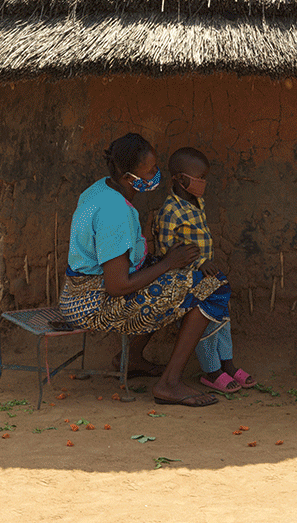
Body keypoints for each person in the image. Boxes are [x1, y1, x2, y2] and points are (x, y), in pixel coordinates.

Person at [57, 133, 231, 407]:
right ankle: (170, 383)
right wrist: (167, 264)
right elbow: (117, 285)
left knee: (166, 279)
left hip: (77, 292)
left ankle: (133, 359)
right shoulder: (115, 212)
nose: (156, 173)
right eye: (150, 170)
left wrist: (163, 266)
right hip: (93, 303)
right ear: (129, 176)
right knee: (213, 288)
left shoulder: (100, 189)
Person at [156, 147, 254, 395]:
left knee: (223, 317)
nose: (203, 184)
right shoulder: (171, 211)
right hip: (186, 279)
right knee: (206, 321)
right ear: (179, 179)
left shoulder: (196, 203)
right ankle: (211, 371)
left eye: (204, 178)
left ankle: (228, 364)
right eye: (198, 178)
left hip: (205, 276)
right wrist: (197, 265)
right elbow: (166, 252)